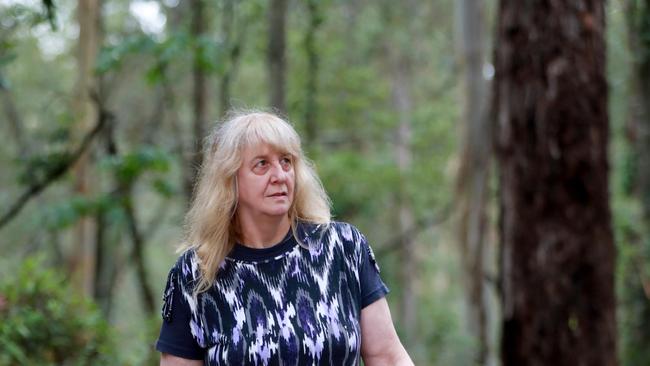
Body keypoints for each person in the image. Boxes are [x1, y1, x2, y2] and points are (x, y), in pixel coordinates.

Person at [156, 111, 413, 365]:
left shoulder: (343, 247)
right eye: (262, 164)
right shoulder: (196, 273)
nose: (280, 175)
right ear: (230, 179)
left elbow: (387, 357)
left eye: (286, 161)